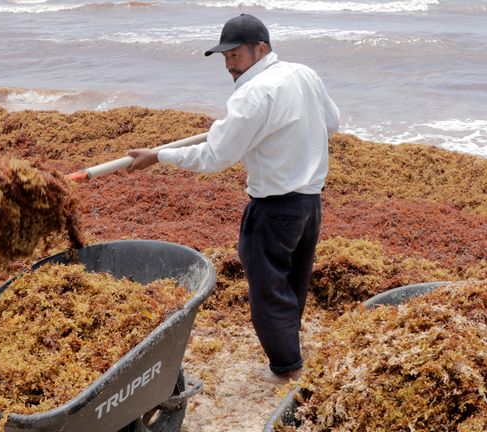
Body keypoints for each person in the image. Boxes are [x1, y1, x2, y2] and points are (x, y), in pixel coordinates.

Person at [127, 14, 340, 384]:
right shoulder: (303, 73)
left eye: (235, 55)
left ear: (262, 48)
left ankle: (288, 369)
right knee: (292, 283)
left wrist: (160, 156)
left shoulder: (252, 94)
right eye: (224, 57)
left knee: (267, 289)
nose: (229, 64)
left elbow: (215, 157)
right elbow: (332, 123)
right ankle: (291, 353)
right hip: (310, 204)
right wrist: (277, 133)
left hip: (275, 208)